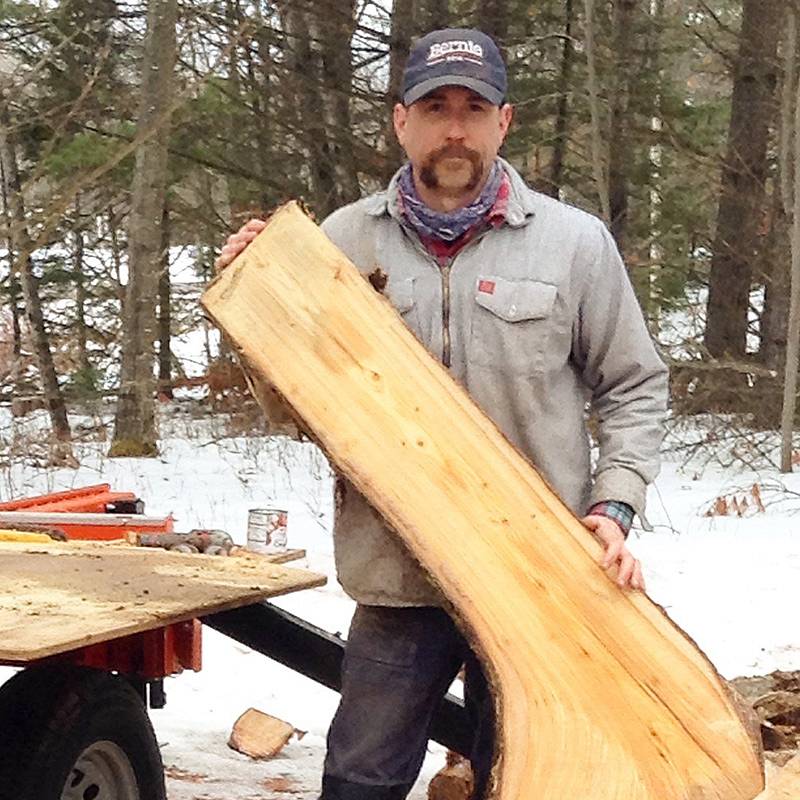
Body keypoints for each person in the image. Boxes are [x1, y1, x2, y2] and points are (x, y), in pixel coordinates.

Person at [215, 27, 668, 800]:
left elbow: (634, 385)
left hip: (540, 575)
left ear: (504, 121)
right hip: (397, 577)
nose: (454, 127)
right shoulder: (339, 242)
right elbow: (300, 407)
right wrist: (257, 307)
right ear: (402, 121)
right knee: (361, 776)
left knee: (530, 776)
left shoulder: (573, 244)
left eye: (473, 107)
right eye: (434, 107)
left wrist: (615, 505)